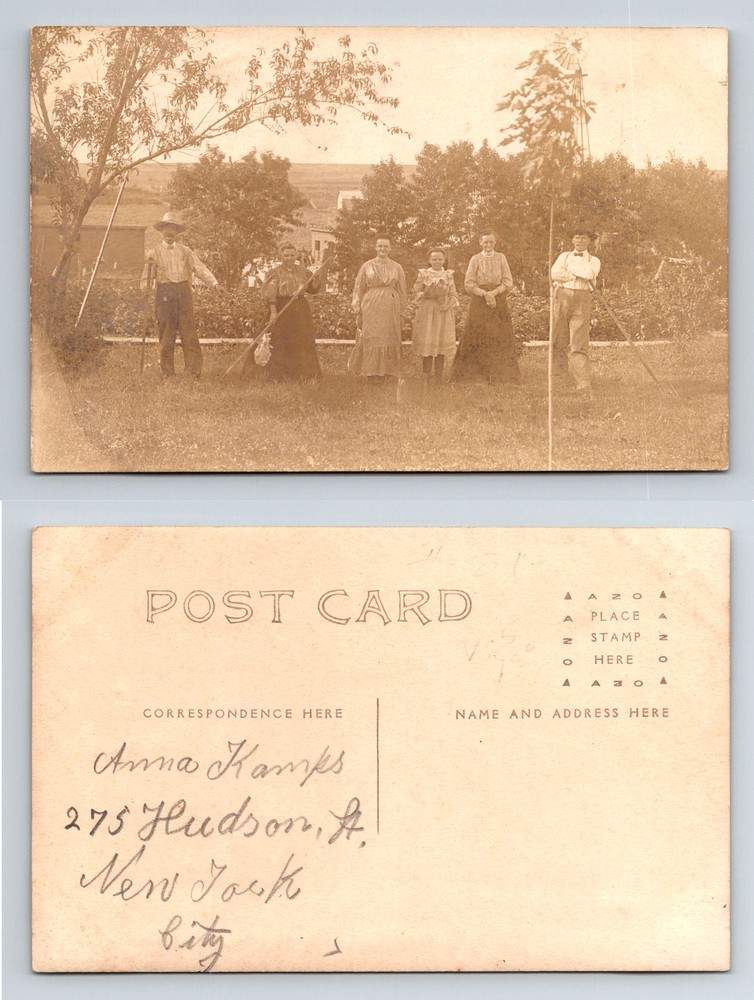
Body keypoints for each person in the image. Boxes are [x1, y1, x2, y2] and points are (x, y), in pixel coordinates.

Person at [140, 212, 220, 379]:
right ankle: (167, 373)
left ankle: (193, 372)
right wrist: (146, 288)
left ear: (177, 232)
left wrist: (213, 283)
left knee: (189, 333)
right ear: (162, 230)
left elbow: (200, 268)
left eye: (173, 229)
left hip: (183, 293)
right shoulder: (153, 253)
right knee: (166, 334)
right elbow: (146, 278)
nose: (170, 232)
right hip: (164, 294)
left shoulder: (186, 251)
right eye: (167, 228)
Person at [250, 242, 324, 382]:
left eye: (292, 255)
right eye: (286, 255)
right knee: (279, 340)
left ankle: (301, 375)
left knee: (301, 340)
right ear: (281, 256)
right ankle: (276, 375)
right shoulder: (275, 273)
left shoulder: (303, 271)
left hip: (300, 310)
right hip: (281, 308)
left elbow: (313, 290)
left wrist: (316, 278)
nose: (289, 258)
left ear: (296, 255)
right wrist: (273, 311)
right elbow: (270, 293)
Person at [454, 232, 520, 384]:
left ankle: (499, 373)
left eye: (491, 242)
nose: (488, 245)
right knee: (478, 334)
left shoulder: (501, 258)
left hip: (499, 299)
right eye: (485, 242)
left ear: (495, 242)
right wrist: (485, 294)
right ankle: (477, 374)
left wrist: (494, 293)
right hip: (479, 300)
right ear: (480, 242)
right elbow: (469, 283)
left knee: (498, 334)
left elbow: (508, 281)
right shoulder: (475, 259)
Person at [550, 225, 601, 393]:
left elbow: (588, 274)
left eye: (584, 238)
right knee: (558, 337)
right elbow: (554, 274)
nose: (580, 240)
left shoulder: (594, 260)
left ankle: (582, 381)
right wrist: (574, 274)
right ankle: (558, 377)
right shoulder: (563, 256)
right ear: (572, 240)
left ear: (589, 241)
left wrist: (569, 271)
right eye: (577, 237)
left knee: (578, 341)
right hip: (563, 296)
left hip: (582, 298)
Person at [349, 237, 407, 382]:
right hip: (371, 304)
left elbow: (402, 290)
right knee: (372, 336)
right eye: (380, 246)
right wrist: (358, 310)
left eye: (386, 246)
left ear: (390, 248)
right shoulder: (367, 266)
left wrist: (402, 311)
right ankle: (371, 373)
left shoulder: (397, 267)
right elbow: (358, 288)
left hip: (391, 303)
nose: (383, 249)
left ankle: (388, 372)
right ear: (375, 247)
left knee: (389, 336)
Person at [411, 248, 459, 385]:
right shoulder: (424, 274)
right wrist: (425, 292)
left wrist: (448, 304)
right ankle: (425, 377)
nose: (437, 261)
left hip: (443, 312)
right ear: (429, 261)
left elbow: (454, 293)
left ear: (444, 260)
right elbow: (416, 290)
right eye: (434, 259)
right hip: (427, 311)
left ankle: (438, 379)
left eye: (440, 259)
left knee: (440, 345)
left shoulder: (448, 275)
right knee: (428, 342)